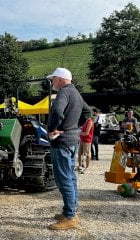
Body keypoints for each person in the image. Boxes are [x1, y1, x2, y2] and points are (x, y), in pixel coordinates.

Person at [46, 67, 91, 230]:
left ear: (60, 79)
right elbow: (88, 112)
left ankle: (70, 217)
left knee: (63, 179)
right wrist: (75, 128)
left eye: (53, 79)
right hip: (72, 140)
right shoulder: (76, 93)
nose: (52, 82)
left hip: (61, 142)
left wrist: (52, 129)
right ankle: (70, 211)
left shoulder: (64, 92)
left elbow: (57, 112)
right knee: (70, 177)